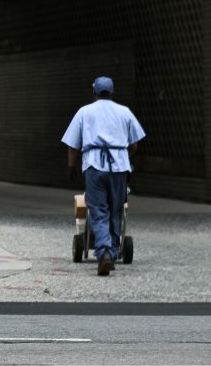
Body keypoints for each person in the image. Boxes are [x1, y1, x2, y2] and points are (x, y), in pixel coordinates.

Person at [61, 76, 146, 276]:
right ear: (112, 93)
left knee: (98, 211)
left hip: (94, 166)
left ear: (94, 93)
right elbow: (134, 145)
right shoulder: (124, 112)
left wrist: (71, 166)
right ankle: (114, 250)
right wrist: (122, 157)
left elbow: (73, 144)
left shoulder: (84, 111)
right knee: (116, 210)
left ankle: (105, 252)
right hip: (119, 168)